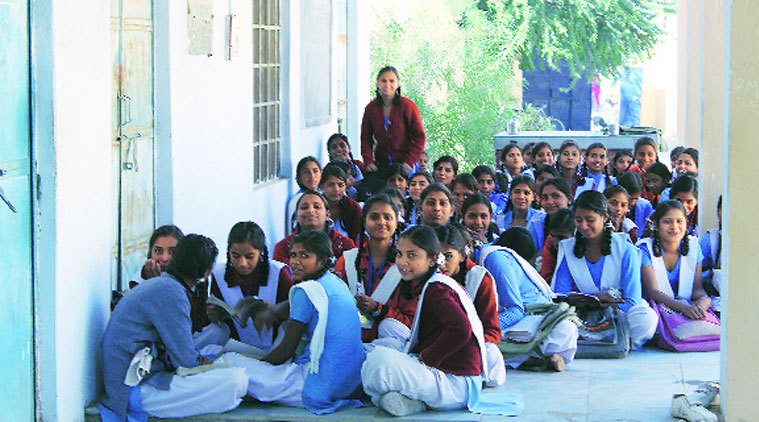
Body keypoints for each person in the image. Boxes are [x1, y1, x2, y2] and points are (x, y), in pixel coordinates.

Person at [99, 235, 248, 422]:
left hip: (141, 379)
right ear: (206, 272)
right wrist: (199, 363)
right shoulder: (171, 292)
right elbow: (185, 362)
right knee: (235, 381)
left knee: (229, 363)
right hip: (133, 390)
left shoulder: (167, 285)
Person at [219, 230, 365, 415]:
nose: (295, 261)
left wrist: (260, 365)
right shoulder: (335, 282)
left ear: (323, 260)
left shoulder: (305, 291)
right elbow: (291, 306)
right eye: (293, 255)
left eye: (305, 255)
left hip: (317, 386)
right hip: (349, 383)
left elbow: (285, 351)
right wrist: (272, 311)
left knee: (231, 361)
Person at [361, 226, 488, 416]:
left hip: (456, 384)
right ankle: (411, 401)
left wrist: (425, 359)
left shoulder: (437, 289)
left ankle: (415, 401)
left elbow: (461, 329)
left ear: (432, 259)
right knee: (385, 341)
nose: (403, 262)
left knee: (378, 362)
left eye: (412, 255)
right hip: (456, 379)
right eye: (400, 254)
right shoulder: (435, 282)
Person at [552, 191, 658, 349]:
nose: (583, 226)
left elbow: (632, 301)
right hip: (582, 316)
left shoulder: (625, 249)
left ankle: (597, 338)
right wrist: (600, 299)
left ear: (605, 217)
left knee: (645, 317)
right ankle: (604, 338)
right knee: (559, 322)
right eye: (578, 220)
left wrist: (601, 305)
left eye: (590, 220)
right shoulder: (568, 249)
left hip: (618, 315)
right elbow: (560, 296)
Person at [480, 227, 578, 371]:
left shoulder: (497, 257)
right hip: (536, 325)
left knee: (482, 344)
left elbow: (516, 311)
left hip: (533, 319)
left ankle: (530, 357)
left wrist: (484, 329)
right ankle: (538, 356)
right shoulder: (492, 255)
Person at [435, 225, 505, 387]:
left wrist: (466, 345)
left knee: (491, 354)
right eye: (436, 257)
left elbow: (492, 331)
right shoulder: (428, 277)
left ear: (462, 255)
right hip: (435, 346)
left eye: (448, 256)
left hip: (469, 347)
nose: (441, 264)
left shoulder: (479, 279)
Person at [206, 221, 293, 351]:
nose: (242, 263)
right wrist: (214, 314)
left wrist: (276, 311)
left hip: (278, 348)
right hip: (236, 350)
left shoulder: (279, 273)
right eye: (235, 256)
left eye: (249, 257)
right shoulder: (218, 275)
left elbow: (295, 312)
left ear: (261, 252)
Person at [333, 194, 401, 342]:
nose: (381, 222)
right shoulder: (348, 260)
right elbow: (335, 301)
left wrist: (378, 309)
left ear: (396, 223)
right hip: (349, 336)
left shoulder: (405, 264)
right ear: (364, 222)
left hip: (390, 343)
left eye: (388, 217)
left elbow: (411, 318)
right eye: (374, 217)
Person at [639, 201, 712, 322]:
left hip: (685, 311)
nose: (674, 226)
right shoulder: (645, 249)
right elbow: (653, 292)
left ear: (686, 225)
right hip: (654, 312)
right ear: (656, 225)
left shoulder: (694, 247)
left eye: (679, 221)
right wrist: (684, 308)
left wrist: (702, 304)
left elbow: (697, 290)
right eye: (667, 221)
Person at [360, 66, 425, 175]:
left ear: (398, 83)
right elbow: (366, 138)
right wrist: (368, 161)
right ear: (377, 84)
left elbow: (420, 137)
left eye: (391, 81)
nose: (387, 85)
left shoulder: (408, 106)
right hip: (381, 165)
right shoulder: (371, 108)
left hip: (405, 164)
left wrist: (409, 162)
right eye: (383, 81)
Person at [273, 190, 356, 264]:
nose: (311, 211)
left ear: (327, 215)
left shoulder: (346, 246)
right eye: (304, 207)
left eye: (317, 207)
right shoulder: (283, 248)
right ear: (296, 216)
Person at [528, 177, 572, 252]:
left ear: (569, 199)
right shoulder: (536, 226)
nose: (550, 202)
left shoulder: (580, 224)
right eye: (545, 198)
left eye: (555, 196)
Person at [320, 164, 363, 241]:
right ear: (321, 186)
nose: (336, 189)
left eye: (340, 185)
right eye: (331, 185)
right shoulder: (315, 206)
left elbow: (357, 238)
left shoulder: (353, 207)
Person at [286, 156, 322, 235]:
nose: (312, 176)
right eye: (306, 172)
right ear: (299, 177)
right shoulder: (298, 200)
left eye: (315, 171)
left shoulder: (322, 195)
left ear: (321, 174)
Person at [539, 208, 575, 282]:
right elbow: (546, 278)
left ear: (574, 235)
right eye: (553, 235)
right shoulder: (550, 241)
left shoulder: (584, 246)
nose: (556, 242)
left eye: (561, 237)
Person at [700, 196, 722, 296]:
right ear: (718, 212)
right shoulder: (712, 238)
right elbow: (692, 271)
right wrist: (711, 273)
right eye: (724, 210)